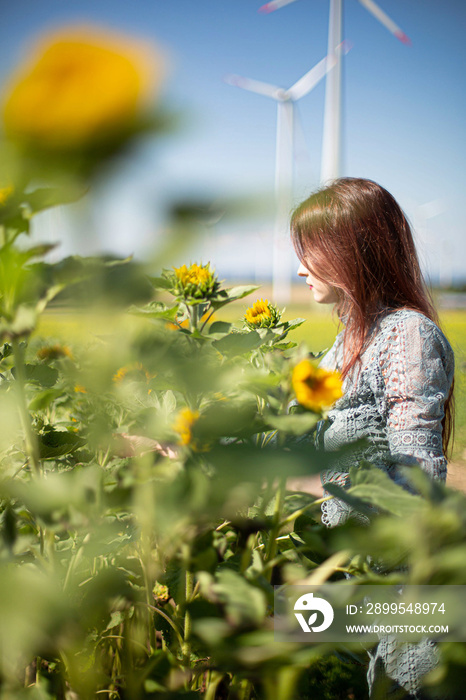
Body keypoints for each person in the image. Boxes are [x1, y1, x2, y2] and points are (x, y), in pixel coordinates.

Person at [291, 177, 455, 699]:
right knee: (297, 649)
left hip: (401, 580)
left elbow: (415, 471)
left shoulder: (405, 335)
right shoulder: (350, 337)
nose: (300, 269)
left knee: (401, 686)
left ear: (351, 252)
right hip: (355, 570)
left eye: (310, 254)